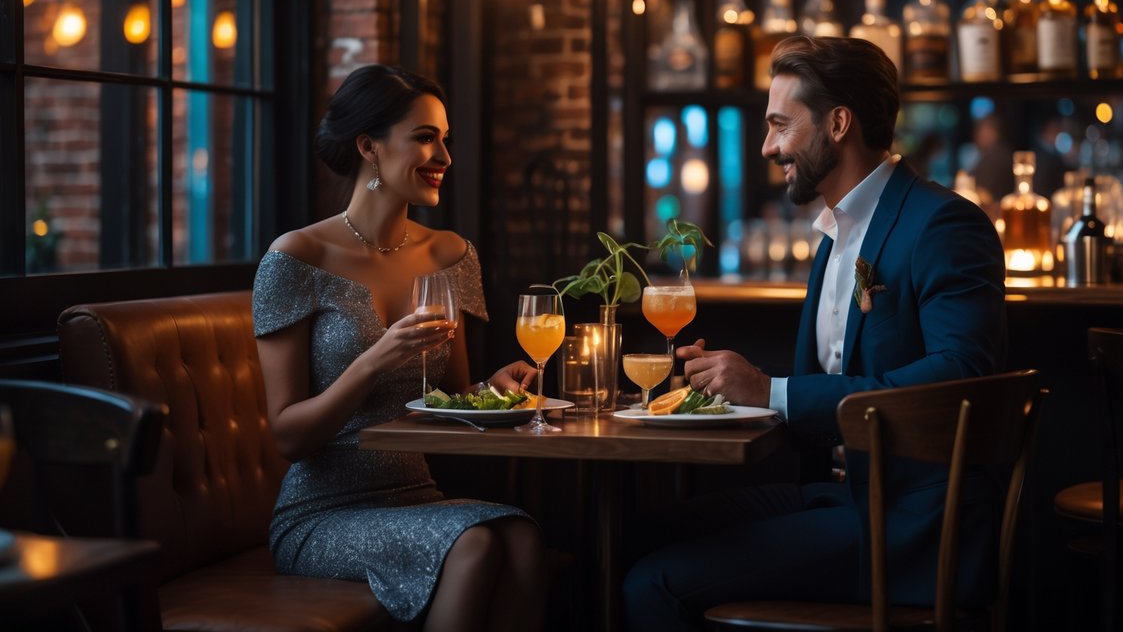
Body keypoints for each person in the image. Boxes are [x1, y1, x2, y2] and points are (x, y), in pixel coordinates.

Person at [623, 36, 1007, 630]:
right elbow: (831, 373)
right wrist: (727, 386)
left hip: (906, 521)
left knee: (654, 582)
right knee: (627, 534)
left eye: (780, 125)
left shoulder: (944, 224)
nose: (767, 146)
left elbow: (962, 379)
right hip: (832, 495)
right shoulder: (835, 231)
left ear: (838, 123)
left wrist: (771, 391)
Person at [252, 65, 545, 631]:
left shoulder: (450, 255)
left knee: (523, 537)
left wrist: (491, 391)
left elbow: (450, 400)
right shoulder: (295, 257)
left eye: (445, 139)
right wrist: (374, 361)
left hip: (417, 494)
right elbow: (288, 435)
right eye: (425, 138)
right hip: (322, 512)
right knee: (475, 546)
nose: (444, 157)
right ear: (369, 146)